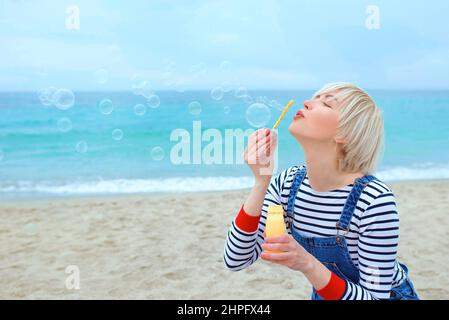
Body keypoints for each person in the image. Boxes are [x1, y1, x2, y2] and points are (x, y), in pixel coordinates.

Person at [223, 82, 419, 300]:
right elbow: (235, 259)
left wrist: (306, 263)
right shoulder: (288, 184)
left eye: (326, 103)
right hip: (328, 291)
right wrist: (261, 181)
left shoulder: (373, 202)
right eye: (314, 97)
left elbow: (376, 298)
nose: (307, 102)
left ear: (345, 133)